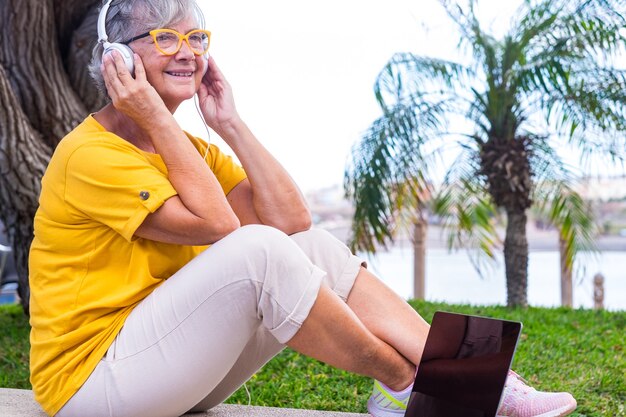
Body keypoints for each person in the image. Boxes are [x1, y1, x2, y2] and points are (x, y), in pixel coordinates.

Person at [28, 1, 577, 417]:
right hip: (92, 384)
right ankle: (409, 384)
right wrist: (158, 118)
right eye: (166, 36)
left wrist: (230, 124)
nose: (189, 50)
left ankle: (470, 377)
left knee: (304, 247)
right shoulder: (89, 155)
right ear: (117, 59)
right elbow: (221, 227)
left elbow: (292, 221)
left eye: (197, 36)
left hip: (165, 366)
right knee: (256, 249)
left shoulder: (190, 151)